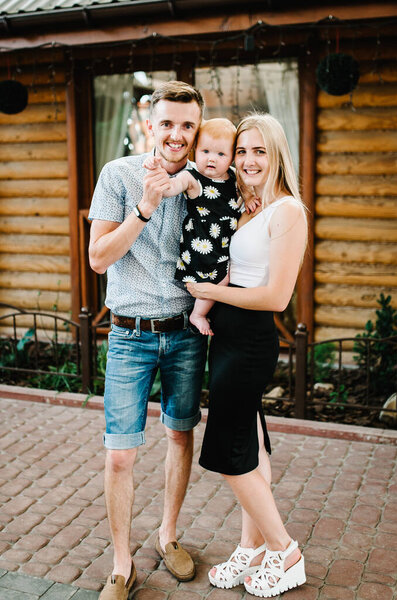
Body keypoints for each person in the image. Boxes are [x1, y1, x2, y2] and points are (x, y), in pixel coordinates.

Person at [88, 81, 208, 600]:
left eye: (188, 125)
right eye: (168, 123)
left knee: (180, 436)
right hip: (130, 336)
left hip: (185, 334)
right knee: (120, 455)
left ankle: (168, 535)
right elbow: (98, 258)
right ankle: (122, 563)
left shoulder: (207, 182)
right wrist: (146, 204)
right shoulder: (118, 175)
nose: (177, 135)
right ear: (148, 125)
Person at [186, 113, 308, 598]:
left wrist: (211, 289)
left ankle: (284, 550)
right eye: (242, 151)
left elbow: (276, 297)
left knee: (229, 452)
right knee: (252, 448)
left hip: (253, 337)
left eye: (259, 151)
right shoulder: (249, 207)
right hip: (229, 336)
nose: (248, 160)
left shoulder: (288, 211)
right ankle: (249, 548)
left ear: (276, 154)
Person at [144, 117, 258, 336]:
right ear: (195, 150)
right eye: (205, 151)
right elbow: (169, 188)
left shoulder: (234, 177)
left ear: (232, 157)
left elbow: (245, 192)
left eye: (220, 154)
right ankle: (198, 313)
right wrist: (156, 172)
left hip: (223, 246)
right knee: (212, 282)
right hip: (200, 245)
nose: (211, 159)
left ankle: (201, 312)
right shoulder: (192, 177)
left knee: (223, 280)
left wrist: (250, 198)